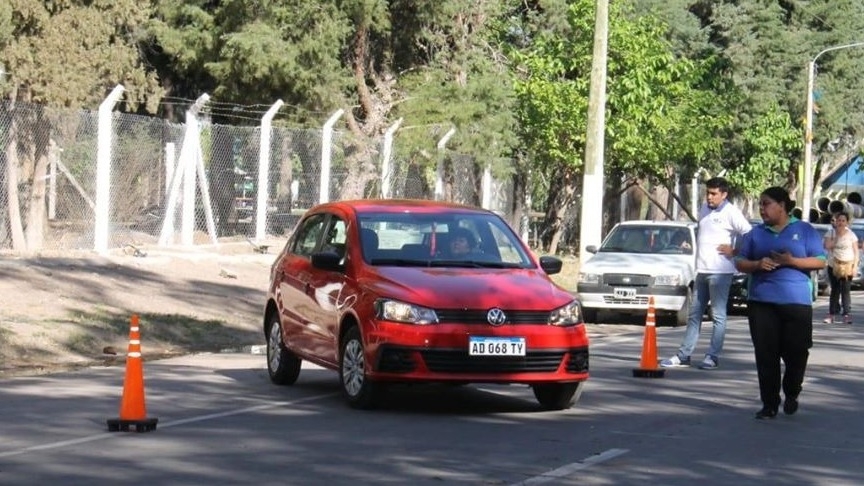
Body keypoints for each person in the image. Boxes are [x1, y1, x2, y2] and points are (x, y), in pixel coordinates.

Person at [734, 186, 826, 419]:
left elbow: (820, 261)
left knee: (797, 351)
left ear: (782, 205)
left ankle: (792, 391)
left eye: (766, 204)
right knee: (766, 354)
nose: (762, 209)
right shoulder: (756, 234)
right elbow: (740, 262)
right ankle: (770, 403)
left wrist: (792, 261)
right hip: (761, 301)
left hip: (796, 302)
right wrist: (757, 265)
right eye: (760, 204)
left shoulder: (804, 230)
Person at [661, 177, 752, 370]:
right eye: (707, 193)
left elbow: (749, 233)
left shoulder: (731, 212)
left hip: (720, 272)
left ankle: (712, 356)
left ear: (724, 194)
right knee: (694, 314)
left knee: (718, 315)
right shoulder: (704, 208)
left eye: (713, 194)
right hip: (701, 270)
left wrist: (735, 251)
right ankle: (684, 355)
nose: (709, 197)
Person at [823, 211, 859, 324]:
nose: (841, 223)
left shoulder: (851, 235)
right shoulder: (830, 233)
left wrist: (855, 267)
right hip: (833, 265)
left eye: (843, 221)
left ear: (847, 222)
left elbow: (856, 252)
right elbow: (827, 246)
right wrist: (837, 236)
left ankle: (846, 314)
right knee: (835, 289)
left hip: (847, 265)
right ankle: (831, 314)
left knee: (845, 290)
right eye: (839, 220)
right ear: (836, 221)